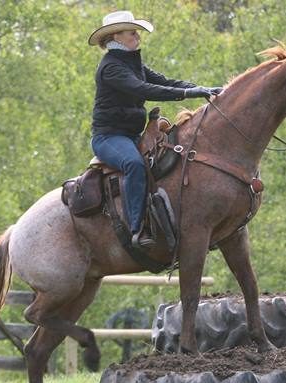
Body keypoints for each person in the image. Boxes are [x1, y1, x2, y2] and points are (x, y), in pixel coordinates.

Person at [88, 11, 222, 248]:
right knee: (134, 165)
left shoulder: (131, 62)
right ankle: (136, 229)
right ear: (116, 36)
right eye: (132, 32)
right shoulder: (111, 67)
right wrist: (190, 93)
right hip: (108, 137)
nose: (137, 36)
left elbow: (166, 82)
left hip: (130, 136)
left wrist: (203, 88)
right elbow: (144, 89)